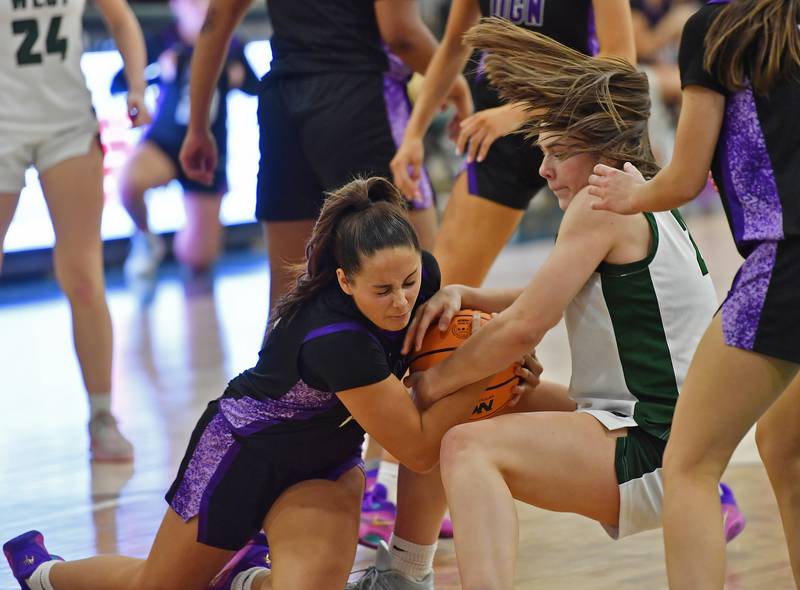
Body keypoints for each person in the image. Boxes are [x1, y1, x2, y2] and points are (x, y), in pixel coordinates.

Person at [3, 177, 538, 590]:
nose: (402, 300)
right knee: (158, 585)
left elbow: (465, 323)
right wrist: (492, 369)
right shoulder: (335, 338)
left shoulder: (412, 276)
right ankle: (45, 570)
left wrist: (468, 305)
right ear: (345, 281)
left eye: (411, 283)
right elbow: (418, 449)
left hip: (324, 468)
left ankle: (244, 575)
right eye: (383, 290)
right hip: (241, 459)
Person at [366, 19, 741, 590]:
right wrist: (471, 295)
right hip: (655, 431)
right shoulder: (640, 190)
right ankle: (403, 574)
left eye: (558, 153)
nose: (543, 170)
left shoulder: (599, 204)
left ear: (600, 147)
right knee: (481, 398)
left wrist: (430, 386)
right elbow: (554, 294)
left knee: (466, 444)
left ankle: (416, 574)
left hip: (654, 447)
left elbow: (522, 328)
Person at [588, 0, 800, 587]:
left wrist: (631, 194)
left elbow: (683, 178)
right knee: (786, 448)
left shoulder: (717, 28)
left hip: (785, 266)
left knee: (688, 465)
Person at [180, 0, 471, 314]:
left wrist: (197, 125)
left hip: (283, 106)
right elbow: (401, 35)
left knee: (288, 305)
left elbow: (215, 19)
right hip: (361, 97)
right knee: (416, 292)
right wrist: (452, 81)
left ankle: (284, 364)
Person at [0, 0, 150, 461]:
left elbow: (121, 19)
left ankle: (103, 417)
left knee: (84, 277)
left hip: (67, 124)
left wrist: (137, 88)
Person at [111, 0, 259, 280]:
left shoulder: (232, 45)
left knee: (199, 258)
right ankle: (145, 239)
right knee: (129, 182)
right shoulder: (163, 41)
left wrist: (238, 78)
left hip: (209, 150)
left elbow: (257, 86)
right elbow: (118, 82)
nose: (198, 7)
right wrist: (156, 77)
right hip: (165, 142)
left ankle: (198, 232)